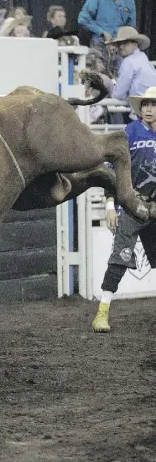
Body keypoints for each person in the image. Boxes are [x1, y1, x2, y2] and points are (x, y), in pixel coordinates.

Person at [92, 86, 156, 332]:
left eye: (153, 105)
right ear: (140, 109)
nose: (149, 109)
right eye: (146, 105)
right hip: (132, 204)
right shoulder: (129, 133)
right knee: (120, 258)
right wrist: (110, 204)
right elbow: (112, 170)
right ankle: (102, 312)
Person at [78, 0, 136, 77]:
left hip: (119, 49)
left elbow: (131, 29)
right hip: (99, 46)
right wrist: (101, 32)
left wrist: (121, 42)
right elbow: (83, 18)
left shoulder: (129, 1)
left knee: (120, 82)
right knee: (97, 82)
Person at [105, 27, 156, 102]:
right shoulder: (143, 57)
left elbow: (118, 94)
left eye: (125, 43)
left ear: (135, 44)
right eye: (119, 44)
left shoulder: (129, 61)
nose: (121, 47)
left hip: (141, 107)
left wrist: (109, 84)